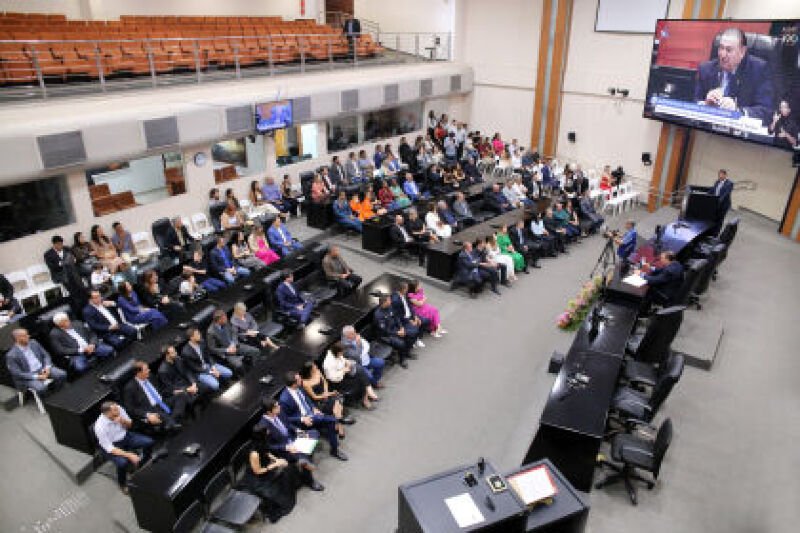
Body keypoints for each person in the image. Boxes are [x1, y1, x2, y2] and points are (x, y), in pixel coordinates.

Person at [694, 27, 774, 124]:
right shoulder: (705, 69)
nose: (723, 55)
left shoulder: (760, 70)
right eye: (721, 48)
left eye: (728, 50)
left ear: (742, 52)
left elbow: (766, 112)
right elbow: (693, 103)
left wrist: (737, 111)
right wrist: (705, 105)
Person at [256, 399, 324, 491]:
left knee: (314, 433)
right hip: (283, 449)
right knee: (303, 457)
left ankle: (306, 457)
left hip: (293, 438)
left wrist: (297, 430)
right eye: (276, 407)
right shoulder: (263, 426)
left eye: (278, 405)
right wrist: (286, 447)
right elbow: (268, 446)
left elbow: (288, 424)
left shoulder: (279, 412)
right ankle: (309, 480)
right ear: (269, 412)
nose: (279, 407)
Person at [279, 371, 348, 461]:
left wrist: (314, 408)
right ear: (294, 384)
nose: (301, 379)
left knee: (330, 422)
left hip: (312, 414)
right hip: (304, 421)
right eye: (299, 379)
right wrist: (302, 419)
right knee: (331, 420)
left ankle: (334, 450)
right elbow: (285, 418)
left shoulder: (299, 388)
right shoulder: (284, 399)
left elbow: (307, 399)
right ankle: (338, 420)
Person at [243, 423, 302, 523]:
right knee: (276, 492)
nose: (269, 431)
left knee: (289, 469)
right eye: (267, 430)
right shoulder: (254, 454)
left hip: (266, 467)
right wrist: (275, 464)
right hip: (258, 478)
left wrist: (277, 460)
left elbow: (267, 453)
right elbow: (257, 471)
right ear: (262, 434)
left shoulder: (262, 443)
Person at [94, 401, 153, 494]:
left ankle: (142, 462)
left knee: (149, 442)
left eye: (117, 409)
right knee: (122, 463)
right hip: (113, 446)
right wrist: (129, 455)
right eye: (115, 411)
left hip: (126, 436)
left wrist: (122, 421)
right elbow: (110, 448)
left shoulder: (118, 409)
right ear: (107, 413)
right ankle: (122, 484)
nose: (118, 411)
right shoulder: (99, 426)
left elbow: (130, 425)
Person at [123, 360, 185, 432]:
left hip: (163, 401)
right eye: (146, 370)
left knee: (181, 396)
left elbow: (161, 390)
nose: (149, 370)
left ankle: (171, 422)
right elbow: (130, 408)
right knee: (160, 414)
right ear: (138, 373)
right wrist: (147, 415)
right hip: (151, 408)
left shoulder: (151, 376)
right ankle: (172, 422)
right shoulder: (130, 388)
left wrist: (173, 392)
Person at [49, 312, 114, 373]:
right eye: (65, 321)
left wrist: (92, 344)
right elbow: (61, 350)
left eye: (68, 319)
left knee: (109, 350)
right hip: (76, 354)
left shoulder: (77, 323)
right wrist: (81, 350)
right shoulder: (54, 334)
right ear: (59, 324)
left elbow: (91, 334)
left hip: (91, 346)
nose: (68, 321)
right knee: (80, 367)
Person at [6, 328, 67, 394]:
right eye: (25, 335)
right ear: (18, 339)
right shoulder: (11, 355)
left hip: (42, 368)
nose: (28, 336)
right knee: (41, 388)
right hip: (29, 375)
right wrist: (37, 376)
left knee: (61, 374)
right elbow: (17, 373)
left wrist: (47, 368)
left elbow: (46, 355)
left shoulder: (33, 343)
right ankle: (47, 397)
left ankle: (57, 392)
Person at [323, 342, 378, 409]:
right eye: (342, 352)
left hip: (344, 375)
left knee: (361, 372)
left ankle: (367, 396)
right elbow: (333, 378)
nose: (343, 353)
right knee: (361, 376)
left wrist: (347, 362)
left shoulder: (337, 354)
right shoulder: (328, 363)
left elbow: (343, 360)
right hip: (338, 382)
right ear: (338, 352)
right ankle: (367, 396)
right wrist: (343, 370)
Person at [299, 361, 350, 431]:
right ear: (310, 370)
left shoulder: (317, 371)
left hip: (325, 394)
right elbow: (314, 397)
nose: (316, 367)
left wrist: (326, 392)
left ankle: (338, 424)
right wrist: (326, 395)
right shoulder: (305, 383)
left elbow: (325, 382)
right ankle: (340, 425)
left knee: (337, 401)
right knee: (336, 403)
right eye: (314, 367)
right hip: (318, 401)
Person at [181, 327, 234, 391]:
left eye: (199, 333)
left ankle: (221, 381)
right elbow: (194, 367)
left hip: (208, 365)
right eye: (197, 334)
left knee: (229, 373)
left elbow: (208, 356)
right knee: (215, 385)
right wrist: (211, 372)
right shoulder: (186, 352)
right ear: (191, 338)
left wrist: (213, 367)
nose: (200, 335)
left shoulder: (202, 342)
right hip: (200, 371)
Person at [373, 295, 419, 368]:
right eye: (389, 300)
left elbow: (396, 318)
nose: (391, 301)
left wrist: (401, 327)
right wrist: (397, 333)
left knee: (413, 334)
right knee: (401, 343)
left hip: (396, 329)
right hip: (386, 335)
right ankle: (402, 360)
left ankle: (406, 352)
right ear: (384, 302)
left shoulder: (390, 307)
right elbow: (384, 330)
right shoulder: (378, 314)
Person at [710, 169, 734, 237]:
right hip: (716, 204)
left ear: (725, 175)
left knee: (720, 220)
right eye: (719, 175)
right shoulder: (717, 182)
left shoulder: (729, 183)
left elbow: (726, 194)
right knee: (714, 218)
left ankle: (715, 235)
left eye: (721, 175)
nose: (720, 176)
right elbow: (713, 190)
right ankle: (711, 232)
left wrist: (719, 201)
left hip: (723, 205)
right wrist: (706, 194)